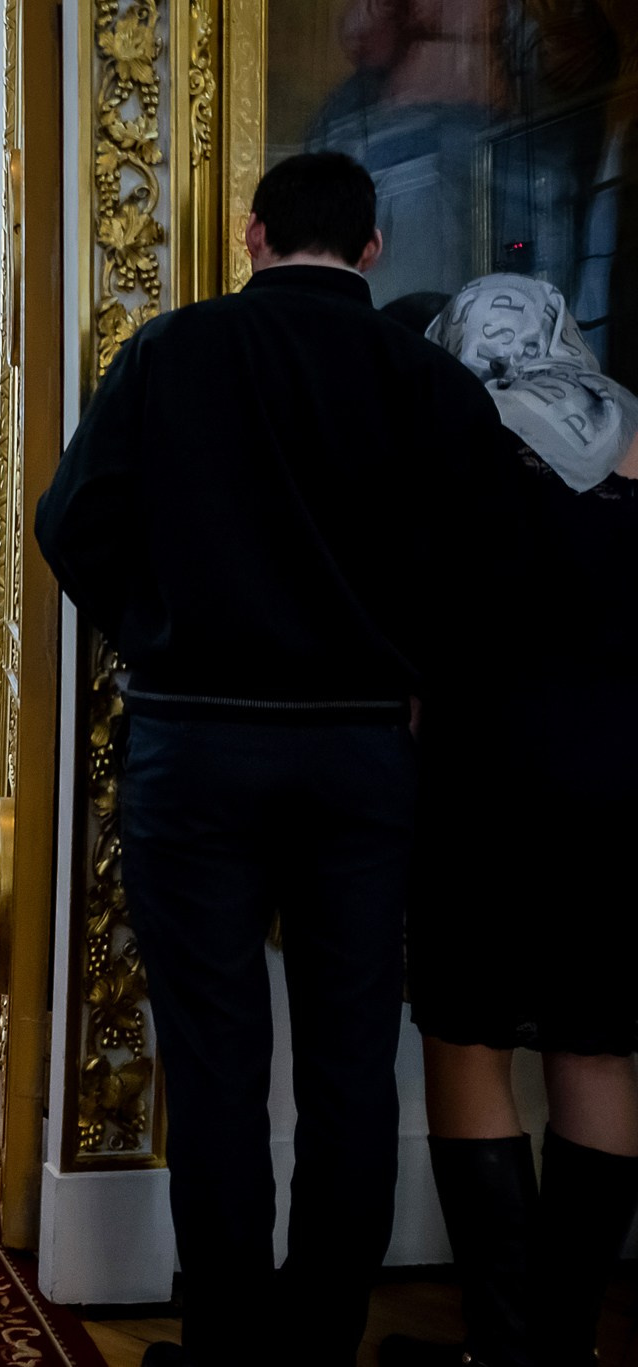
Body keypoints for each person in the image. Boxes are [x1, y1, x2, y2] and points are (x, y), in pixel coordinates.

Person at [34, 152, 524, 1367]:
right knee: (349, 1066)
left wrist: (157, 628)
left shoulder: (170, 350)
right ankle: (317, 1343)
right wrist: (412, 669)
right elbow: (490, 571)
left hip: (194, 742)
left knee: (214, 1063)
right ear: (369, 248)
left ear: (250, 234)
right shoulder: (427, 379)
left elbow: (71, 521)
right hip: (359, 752)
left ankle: (226, 1346)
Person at [380, 275, 638, 1367]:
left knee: (469, 1039)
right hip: (622, 782)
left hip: (483, 773)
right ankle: (562, 1350)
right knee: (598, 1047)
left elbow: (412, 635)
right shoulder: (632, 435)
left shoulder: (455, 446)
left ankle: (501, 1347)